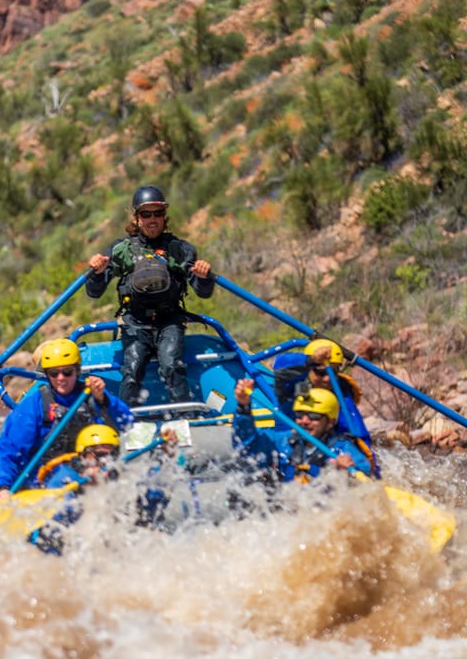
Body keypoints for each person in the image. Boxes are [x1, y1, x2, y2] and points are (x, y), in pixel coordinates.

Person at [86, 184, 215, 406]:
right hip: (135, 322)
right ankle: (126, 424)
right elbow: (94, 291)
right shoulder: (122, 250)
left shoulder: (179, 249)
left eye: (158, 213)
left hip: (170, 321)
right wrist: (97, 273)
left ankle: (185, 420)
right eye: (146, 214)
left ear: (165, 217)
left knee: (171, 364)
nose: (153, 219)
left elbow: (203, 292)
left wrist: (204, 276)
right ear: (137, 218)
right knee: (132, 370)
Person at [0, 338, 133, 502]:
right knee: (67, 491)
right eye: (53, 373)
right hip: (47, 477)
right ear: (47, 375)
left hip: (95, 468)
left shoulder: (93, 396)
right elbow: (9, 450)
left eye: (67, 372)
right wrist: (2, 487)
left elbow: (127, 423)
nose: (61, 378)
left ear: (77, 371)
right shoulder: (33, 406)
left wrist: (103, 400)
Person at [26, 424, 179, 554]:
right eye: (99, 455)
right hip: (63, 552)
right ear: (83, 456)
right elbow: (53, 522)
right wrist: (82, 488)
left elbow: (156, 495)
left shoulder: (119, 475)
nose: (105, 461)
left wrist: (168, 457)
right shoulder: (65, 477)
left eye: (112, 455)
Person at [272, 339, 380, 476]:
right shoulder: (292, 384)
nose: (328, 379)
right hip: (287, 447)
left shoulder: (341, 395)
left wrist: (367, 471)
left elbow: (357, 437)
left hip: (320, 453)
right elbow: (279, 365)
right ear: (308, 369)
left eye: (333, 372)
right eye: (320, 373)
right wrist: (311, 360)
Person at [232, 380, 372, 482]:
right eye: (299, 415)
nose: (304, 421)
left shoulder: (343, 448)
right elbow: (246, 446)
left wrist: (347, 471)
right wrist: (243, 407)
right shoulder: (283, 441)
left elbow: (364, 471)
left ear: (330, 422)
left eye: (314, 416)